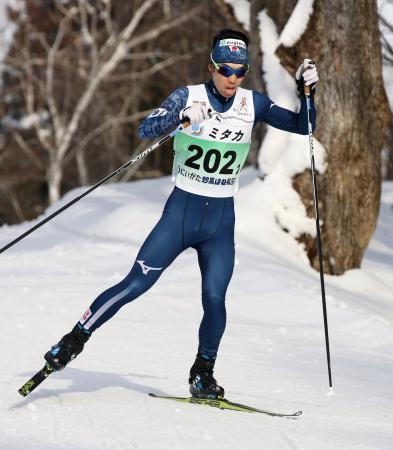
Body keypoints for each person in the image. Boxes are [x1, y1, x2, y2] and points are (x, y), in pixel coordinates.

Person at [43, 29, 318, 399]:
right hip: (181, 215)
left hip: (220, 222)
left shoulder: (254, 104)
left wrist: (307, 93)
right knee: (134, 285)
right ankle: (73, 340)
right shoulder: (187, 97)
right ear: (212, 66)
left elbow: (305, 126)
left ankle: (202, 373)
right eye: (226, 70)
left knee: (215, 299)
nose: (233, 79)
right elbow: (146, 128)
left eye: (240, 71)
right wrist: (181, 118)